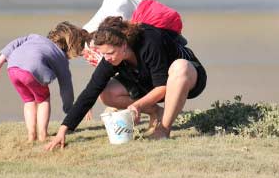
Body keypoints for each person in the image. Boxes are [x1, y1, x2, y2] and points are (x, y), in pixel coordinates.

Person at [45, 16, 207, 150]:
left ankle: (163, 129)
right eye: (104, 54)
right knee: (106, 92)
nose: (107, 59)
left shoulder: (150, 41)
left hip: (187, 77)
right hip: (148, 81)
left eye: (110, 53)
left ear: (124, 45)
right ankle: (157, 112)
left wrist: (137, 105)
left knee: (180, 67)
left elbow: (163, 87)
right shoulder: (111, 57)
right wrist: (63, 129)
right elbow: (90, 92)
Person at [0, 22, 88, 142]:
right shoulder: (61, 58)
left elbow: (13, 44)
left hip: (12, 67)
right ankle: (42, 135)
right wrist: (69, 108)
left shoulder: (34, 37)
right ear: (71, 46)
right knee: (43, 99)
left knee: (29, 101)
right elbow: (66, 87)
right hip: (31, 69)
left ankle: (31, 136)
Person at [81, 0, 164, 66]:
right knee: (120, 69)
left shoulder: (145, 1)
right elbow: (113, 30)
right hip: (94, 42)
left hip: (115, 43)